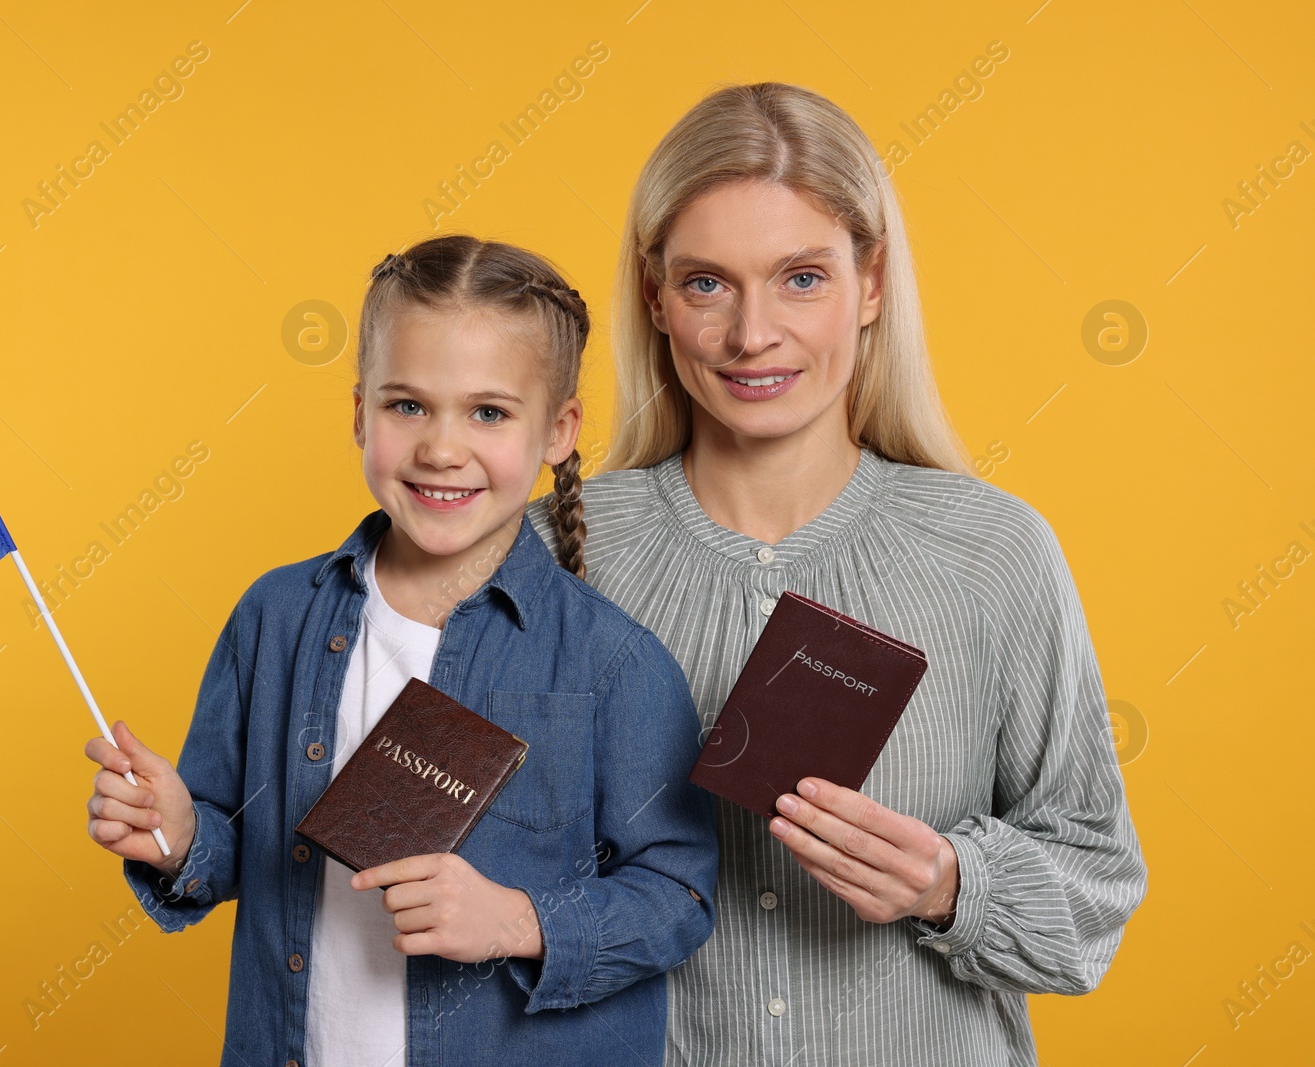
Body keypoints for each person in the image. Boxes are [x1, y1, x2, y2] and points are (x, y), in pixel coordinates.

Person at [526, 82, 1146, 1066]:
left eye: (800, 278)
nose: (751, 334)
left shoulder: (995, 551)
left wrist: (952, 883)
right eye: (706, 284)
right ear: (653, 295)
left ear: (870, 284)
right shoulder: (551, 554)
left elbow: (1096, 892)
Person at [84, 234, 718, 1066]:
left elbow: (678, 893)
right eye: (406, 405)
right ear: (359, 412)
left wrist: (516, 921)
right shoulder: (274, 618)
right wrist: (175, 833)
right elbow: (236, 842)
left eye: (488, 412)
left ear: (559, 430)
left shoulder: (612, 664)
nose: (440, 448)